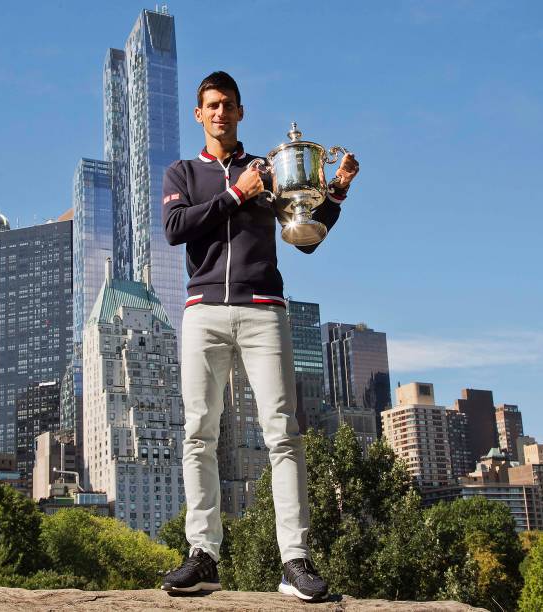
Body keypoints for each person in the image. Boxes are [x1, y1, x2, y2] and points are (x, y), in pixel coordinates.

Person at [159, 71, 359, 602]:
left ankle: (295, 560)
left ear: (241, 113)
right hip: (203, 310)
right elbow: (177, 228)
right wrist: (232, 194)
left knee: (283, 433)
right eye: (211, 105)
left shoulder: (266, 171)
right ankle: (203, 556)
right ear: (199, 115)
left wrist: (335, 189)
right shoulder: (181, 172)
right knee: (198, 433)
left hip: (263, 309)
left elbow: (305, 238)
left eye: (228, 105)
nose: (220, 113)